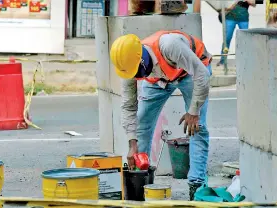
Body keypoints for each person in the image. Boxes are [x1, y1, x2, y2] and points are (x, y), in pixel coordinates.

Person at [109, 30, 212, 200]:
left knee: (197, 128)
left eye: (136, 73)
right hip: (158, 81)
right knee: (142, 125)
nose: (134, 78)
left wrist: (193, 111)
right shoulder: (128, 67)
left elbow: (202, 74)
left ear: (142, 59)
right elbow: (128, 107)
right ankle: (140, 187)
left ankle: (197, 187)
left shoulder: (170, 46)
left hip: (191, 74)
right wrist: (132, 143)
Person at [217, 0, 256, 66]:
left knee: (245, 40)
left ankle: (244, 61)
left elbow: (254, 4)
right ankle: (222, 61)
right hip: (229, 18)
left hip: (243, 18)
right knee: (227, 39)